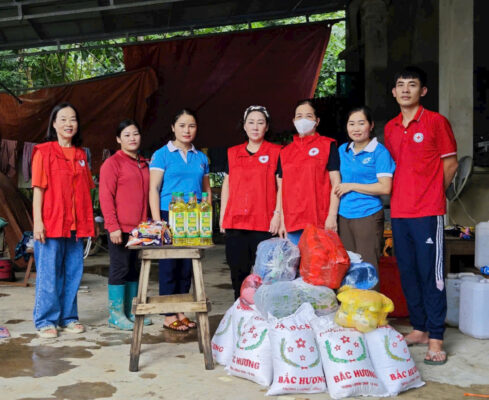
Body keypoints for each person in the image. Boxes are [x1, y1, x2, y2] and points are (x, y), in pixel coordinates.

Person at [384, 66, 458, 365]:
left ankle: (436, 336)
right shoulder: (390, 128)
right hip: (399, 211)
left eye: (412, 84)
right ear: (394, 92)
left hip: (428, 211)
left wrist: (433, 193)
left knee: (431, 274)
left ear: (423, 91)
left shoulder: (436, 122)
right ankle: (420, 328)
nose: (405, 90)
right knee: (408, 271)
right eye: (400, 85)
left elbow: (450, 164)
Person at [32, 102, 95, 338]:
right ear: (54, 124)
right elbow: (38, 190)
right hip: (51, 223)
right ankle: (45, 320)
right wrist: (38, 222)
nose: (69, 124)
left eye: (73, 119)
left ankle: (68, 317)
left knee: (73, 273)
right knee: (49, 275)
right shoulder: (43, 151)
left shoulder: (81, 155)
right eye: (64, 119)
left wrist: (89, 223)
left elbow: (85, 192)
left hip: (76, 226)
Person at [149, 109, 211, 331]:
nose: (187, 130)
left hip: (193, 216)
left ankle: (181, 311)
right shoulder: (162, 154)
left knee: (187, 265)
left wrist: (206, 216)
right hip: (168, 214)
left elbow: (206, 190)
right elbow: (154, 189)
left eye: (191, 126)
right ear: (173, 128)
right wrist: (158, 222)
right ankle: (168, 315)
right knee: (169, 265)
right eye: (182, 125)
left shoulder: (201, 157)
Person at [219, 105, 282, 299]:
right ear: (244, 126)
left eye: (260, 123)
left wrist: (278, 215)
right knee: (238, 274)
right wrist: (223, 217)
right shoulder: (232, 152)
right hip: (236, 222)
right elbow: (227, 185)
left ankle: (263, 312)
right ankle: (240, 310)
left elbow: (282, 186)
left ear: (267, 127)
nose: (255, 127)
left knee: (267, 276)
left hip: (264, 223)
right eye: (251, 122)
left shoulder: (276, 152)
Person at [99, 119, 152, 330]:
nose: (132, 138)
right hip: (120, 228)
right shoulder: (112, 163)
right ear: (118, 139)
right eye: (127, 135)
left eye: (135, 134)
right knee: (119, 267)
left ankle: (131, 311)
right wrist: (113, 226)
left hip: (139, 229)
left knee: (134, 268)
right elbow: (105, 196)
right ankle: (116, 315)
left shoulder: (144, 163)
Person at [335, 106, 395, 279]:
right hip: (344, 215)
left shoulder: (379, 152)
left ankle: (371, 298)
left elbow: (385, 187)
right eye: (351, 124)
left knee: (367, 269)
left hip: (368, 215)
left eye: (361, 123)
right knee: (348, 268)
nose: (356, 128)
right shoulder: (342, 150)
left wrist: (351, 186)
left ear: (371, 125)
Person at [279, 99, 341, 244]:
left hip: (320, 220)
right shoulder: (285, 152)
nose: (303, 120)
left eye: (308, 116)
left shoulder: (327, 145)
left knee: (319, 259)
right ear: (294, 121)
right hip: (292, 222)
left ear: (317, 121)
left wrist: (332, 215)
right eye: (299, 116)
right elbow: (283, 189)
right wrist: (282, 220)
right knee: (294, 259)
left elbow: (336, 183)